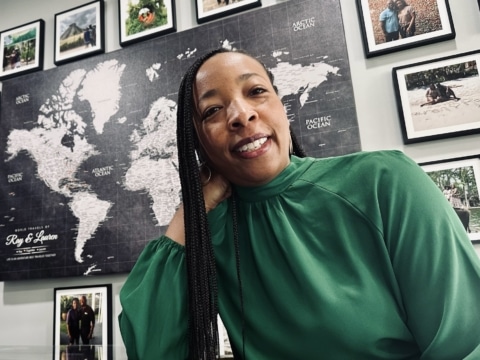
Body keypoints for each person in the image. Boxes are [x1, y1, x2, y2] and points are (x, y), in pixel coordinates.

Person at [119, 48, 480, 359]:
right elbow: (153, 348)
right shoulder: (209, 238)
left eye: (257, 91)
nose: (241, 115)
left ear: (281, 106)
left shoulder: (384, 181)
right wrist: (192, 210)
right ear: (197, 141)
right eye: (212, 110)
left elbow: (466, 343)